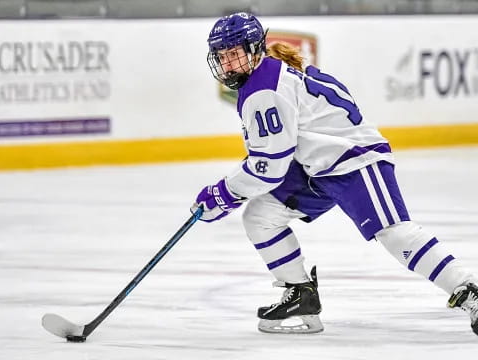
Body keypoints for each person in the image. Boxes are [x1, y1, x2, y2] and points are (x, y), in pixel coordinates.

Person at [191, 12, 478, 334]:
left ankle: (469, 291)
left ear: (254, 49)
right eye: (222, 56)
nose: (228, 64)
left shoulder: (264, 89)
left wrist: (224, 194)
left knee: (393, 231)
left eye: (235, 54)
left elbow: (269, 168)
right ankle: (300, 292)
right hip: (316, 167)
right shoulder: (265, 77)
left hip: (354, 159)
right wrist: (230, 193)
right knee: (260, 215)